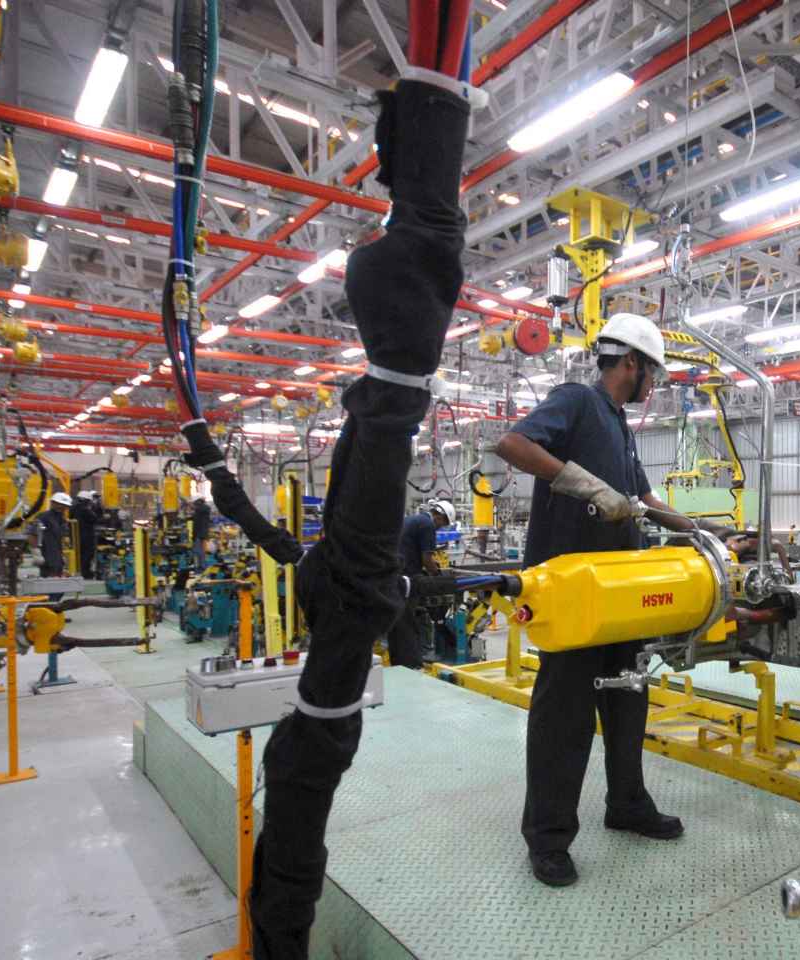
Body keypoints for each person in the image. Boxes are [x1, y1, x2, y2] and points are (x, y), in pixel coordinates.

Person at [244, 66, 474, 959]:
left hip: (394, 354)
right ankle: (422, 113)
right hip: (392, 355)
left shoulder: (354, 570)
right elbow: (371, 465)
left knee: (430, 235)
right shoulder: (353, 568)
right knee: (429, 237)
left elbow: (368, 467)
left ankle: (422, 113)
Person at [493, 311, 718, 889]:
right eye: (654, 374)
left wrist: (696, 531)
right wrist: (587, 486)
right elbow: (512, 442)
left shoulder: (619, 425)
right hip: (573, 594)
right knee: (562, 719)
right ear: (632, 364)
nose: (655, 387)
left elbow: (641, 497)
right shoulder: (577, 400)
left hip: (621, 592)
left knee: (628, 701)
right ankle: (547, 839)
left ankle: (627, 805)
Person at [386, 500, 453, 667]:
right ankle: (411, 664)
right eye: (443, 524)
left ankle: (398, 662)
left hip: (393, 576)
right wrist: (438, 576)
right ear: (439, 516)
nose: (440, 528)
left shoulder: (413, 519)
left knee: (397, 623)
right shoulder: (428, 525)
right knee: (408, 623)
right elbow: (427, 559)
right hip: (407, 581)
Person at [36, 492, 72, 577]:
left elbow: (62, 535)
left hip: (57, 553)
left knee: (58, 577)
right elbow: (32, 534)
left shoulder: (61, 518)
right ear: (53, 503)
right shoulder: (43, 517)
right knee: (49, 579)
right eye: (60, 504)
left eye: (65, 506)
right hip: (47, 553)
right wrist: (36, 553)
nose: (63, 507)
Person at [69, 492, 98, 579]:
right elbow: (94, 518)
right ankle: (85, 573)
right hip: (86, 537)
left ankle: (77, 571)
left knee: (77, 555)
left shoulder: (72, 509)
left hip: (74, 536)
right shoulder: (85, 510)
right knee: (87, 555)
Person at [191, 496, 213, 569]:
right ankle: (201, 565)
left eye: (195, 505)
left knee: (198, 551)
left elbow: (197, 523)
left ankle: (202, 566)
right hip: (200, 533)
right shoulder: (199, 511)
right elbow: (195, 520)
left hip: (200, 534)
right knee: (199, 551)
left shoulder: (203, 509)